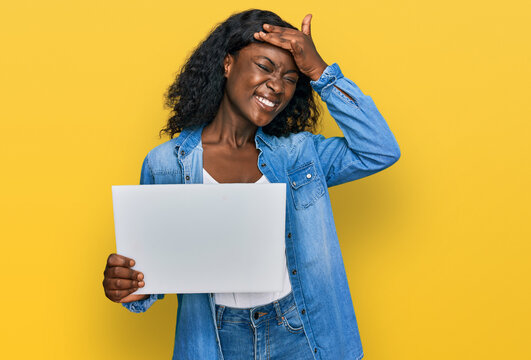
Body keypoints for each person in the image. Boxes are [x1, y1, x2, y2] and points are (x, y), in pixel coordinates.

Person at [102, 9, 400, 360]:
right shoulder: (165, 164)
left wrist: (320, 72)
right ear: (227, 64)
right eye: (265, 67)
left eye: (291, 77)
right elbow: (153, 277)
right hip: (215, 338)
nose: (277, 85)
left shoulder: (299, 154)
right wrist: (128, 284)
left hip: (299, 331)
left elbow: (379, 149)